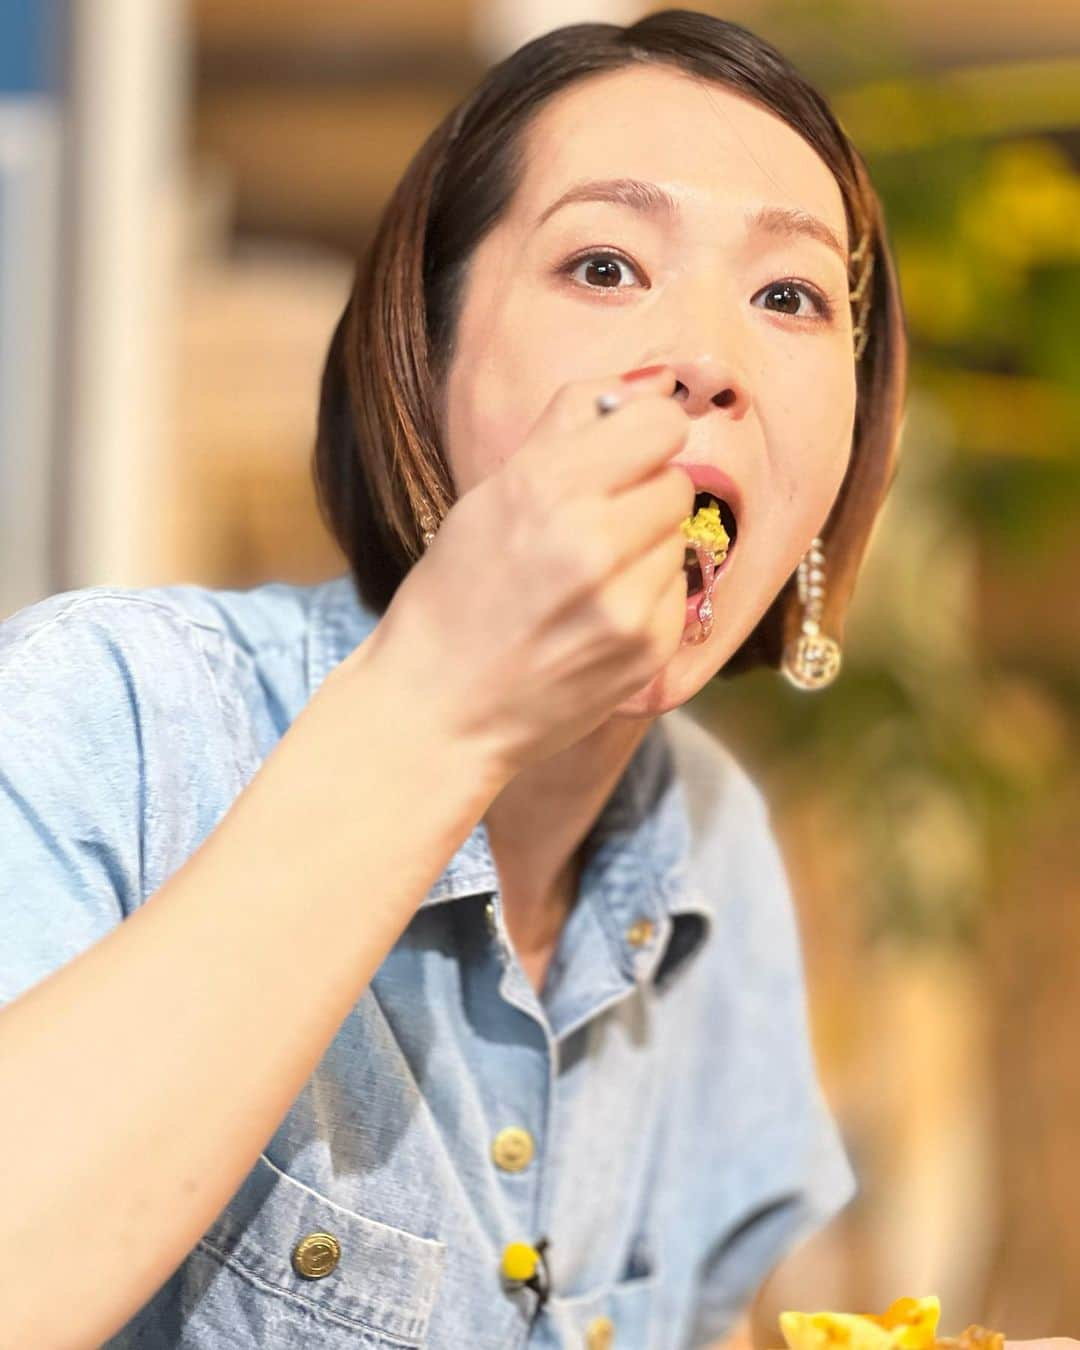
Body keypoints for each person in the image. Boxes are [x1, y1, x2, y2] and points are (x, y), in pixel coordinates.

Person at [0, 11, 908, 1348]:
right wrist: (447, 694)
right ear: (422, 368)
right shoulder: (115, 710)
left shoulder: (714, 855)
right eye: (605, 264)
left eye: (791, 295)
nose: (710, 359)